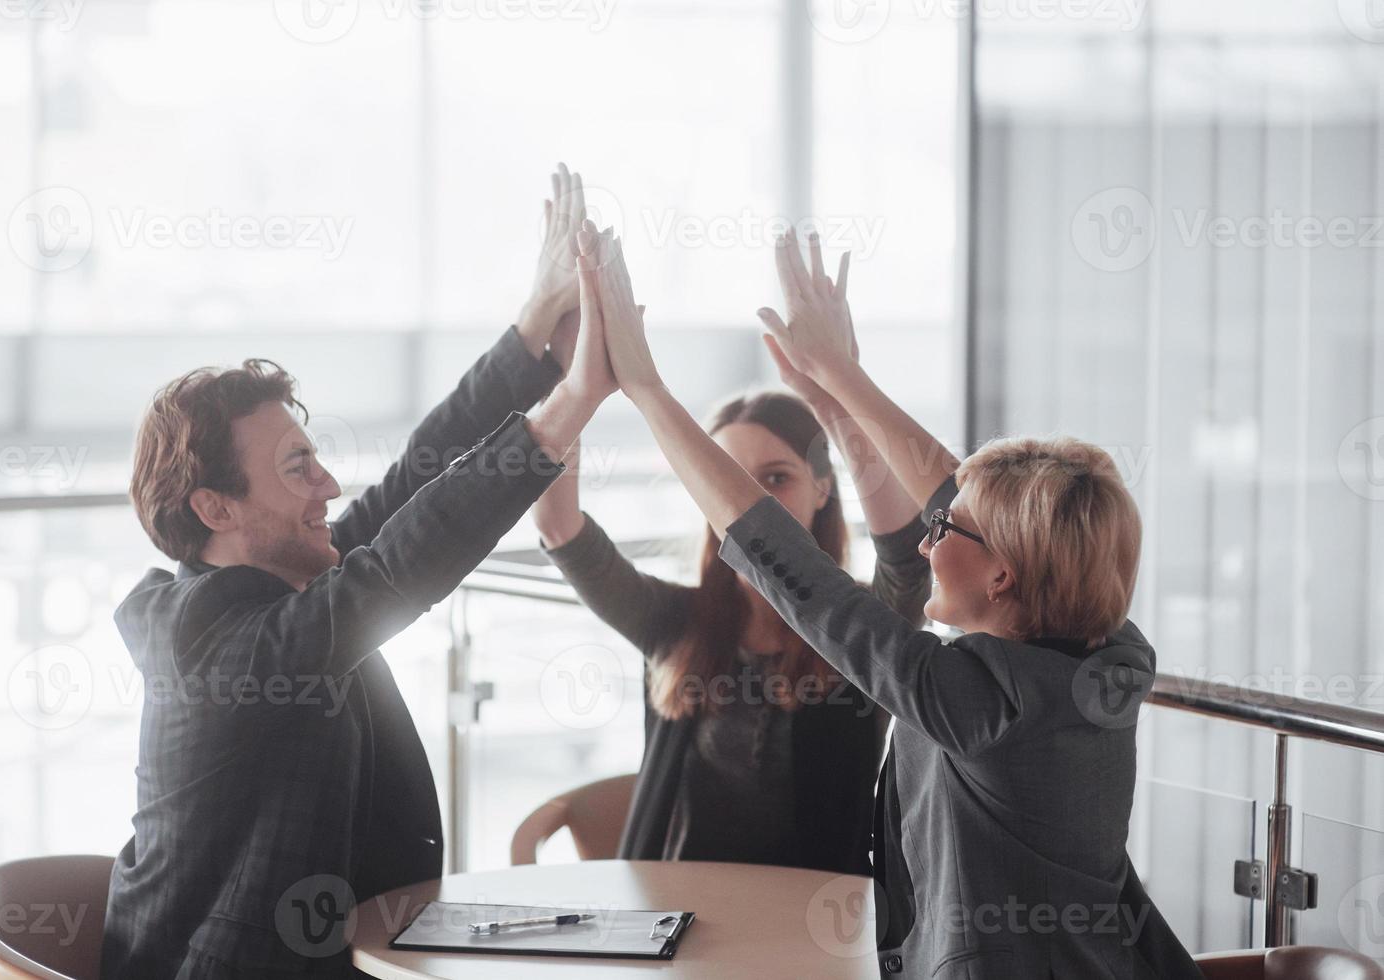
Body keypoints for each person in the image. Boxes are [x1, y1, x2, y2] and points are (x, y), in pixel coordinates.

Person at [574, 222, 1203, 979]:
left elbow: (791, 569)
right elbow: (972, 501)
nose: (927, 540)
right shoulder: (1110, 653)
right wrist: (840, 376)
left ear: (1002, 574)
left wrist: (646, 391)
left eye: (946, 532)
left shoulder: (971, 702)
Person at [102, 166, 618, 980]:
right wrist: (573, 403)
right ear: (216, 508)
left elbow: (414, 486)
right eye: (298, 467)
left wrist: (533, 332)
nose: (330, 486)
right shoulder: (206, 642)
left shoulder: (273, 594)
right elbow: (392, 575)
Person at [532, 270, 932, 873]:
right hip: (677, 929)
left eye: (776, 478)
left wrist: (839, 394)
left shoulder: (861, 631)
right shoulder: (676, 621)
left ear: (822, 486)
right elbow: (560, 529)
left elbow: (905, 554)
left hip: (816, 933)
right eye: (723, 478)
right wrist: (575, 384)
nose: (748, 506)